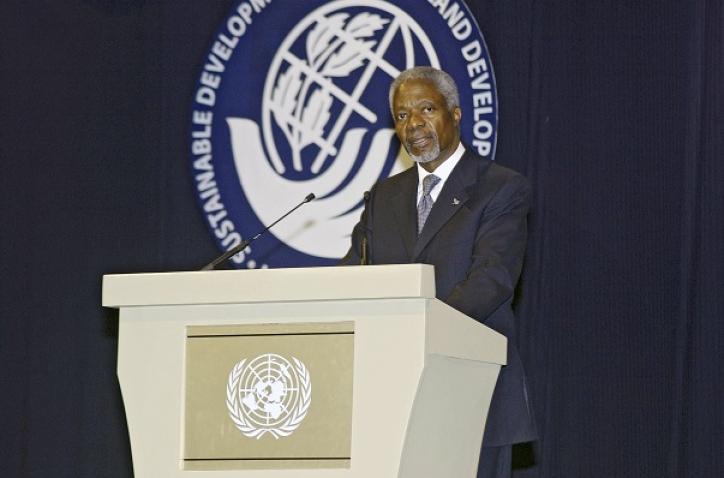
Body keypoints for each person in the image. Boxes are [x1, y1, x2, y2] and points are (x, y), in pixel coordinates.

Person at [341, 66, 537, 477]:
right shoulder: (383, 197)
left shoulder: (499, 188)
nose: (413, 125)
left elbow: (492, 280)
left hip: (471, 389)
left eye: (426, 109)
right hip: (390, 399)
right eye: (400, 116)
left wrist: (414, 332)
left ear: (455, 113)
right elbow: (353, 279)